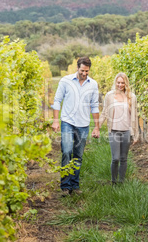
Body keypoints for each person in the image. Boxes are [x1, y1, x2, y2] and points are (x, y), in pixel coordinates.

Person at [51, 57, 100, 196]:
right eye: (82, 70)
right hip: (67, 121)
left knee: (78, 155)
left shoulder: (93, 84)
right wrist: (55, 120)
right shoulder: (65, 81)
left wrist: (96, 127)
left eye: (87, 71)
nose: (84, 73)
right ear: (77, 68)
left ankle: (75, 185)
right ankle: (65, 186)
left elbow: (95, 105)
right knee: (66, 152)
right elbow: (57, 100)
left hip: (83, 124)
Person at [99, 72, 139, 184]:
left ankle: (121, 182)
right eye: (118, 82)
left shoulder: (132, 97)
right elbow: (105, 112)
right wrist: (97, 126)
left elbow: (134, 116)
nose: (120, 85)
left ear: (126, 84)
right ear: (115, 82)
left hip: (126, 131)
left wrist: (135, 134)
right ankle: (113, 181)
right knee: (115, 158)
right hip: (114, 131)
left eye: (122, 83)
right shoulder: (109, 96)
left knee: (123, 158)